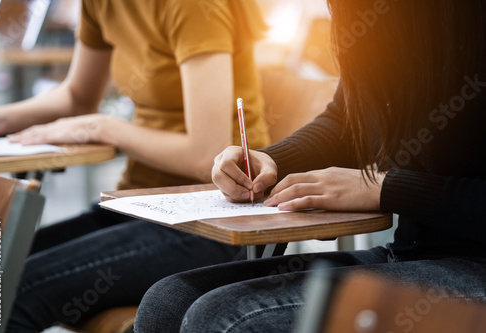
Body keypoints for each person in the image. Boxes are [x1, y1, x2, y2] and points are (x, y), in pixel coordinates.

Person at [134, 0, 486, 332]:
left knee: (223, 319)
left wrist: (384, 188)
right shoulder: (385, 23)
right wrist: (271, 160)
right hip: (414, 255)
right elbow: (348, 121)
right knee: (167, 301)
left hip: (474, 268)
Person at [0, 0, 271, 331]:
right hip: (140, 203)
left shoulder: (193, 6)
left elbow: (205, 155)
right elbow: (79, 96)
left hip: (214, 218)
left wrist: (102, 127)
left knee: (10, 291)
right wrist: (0, 118)